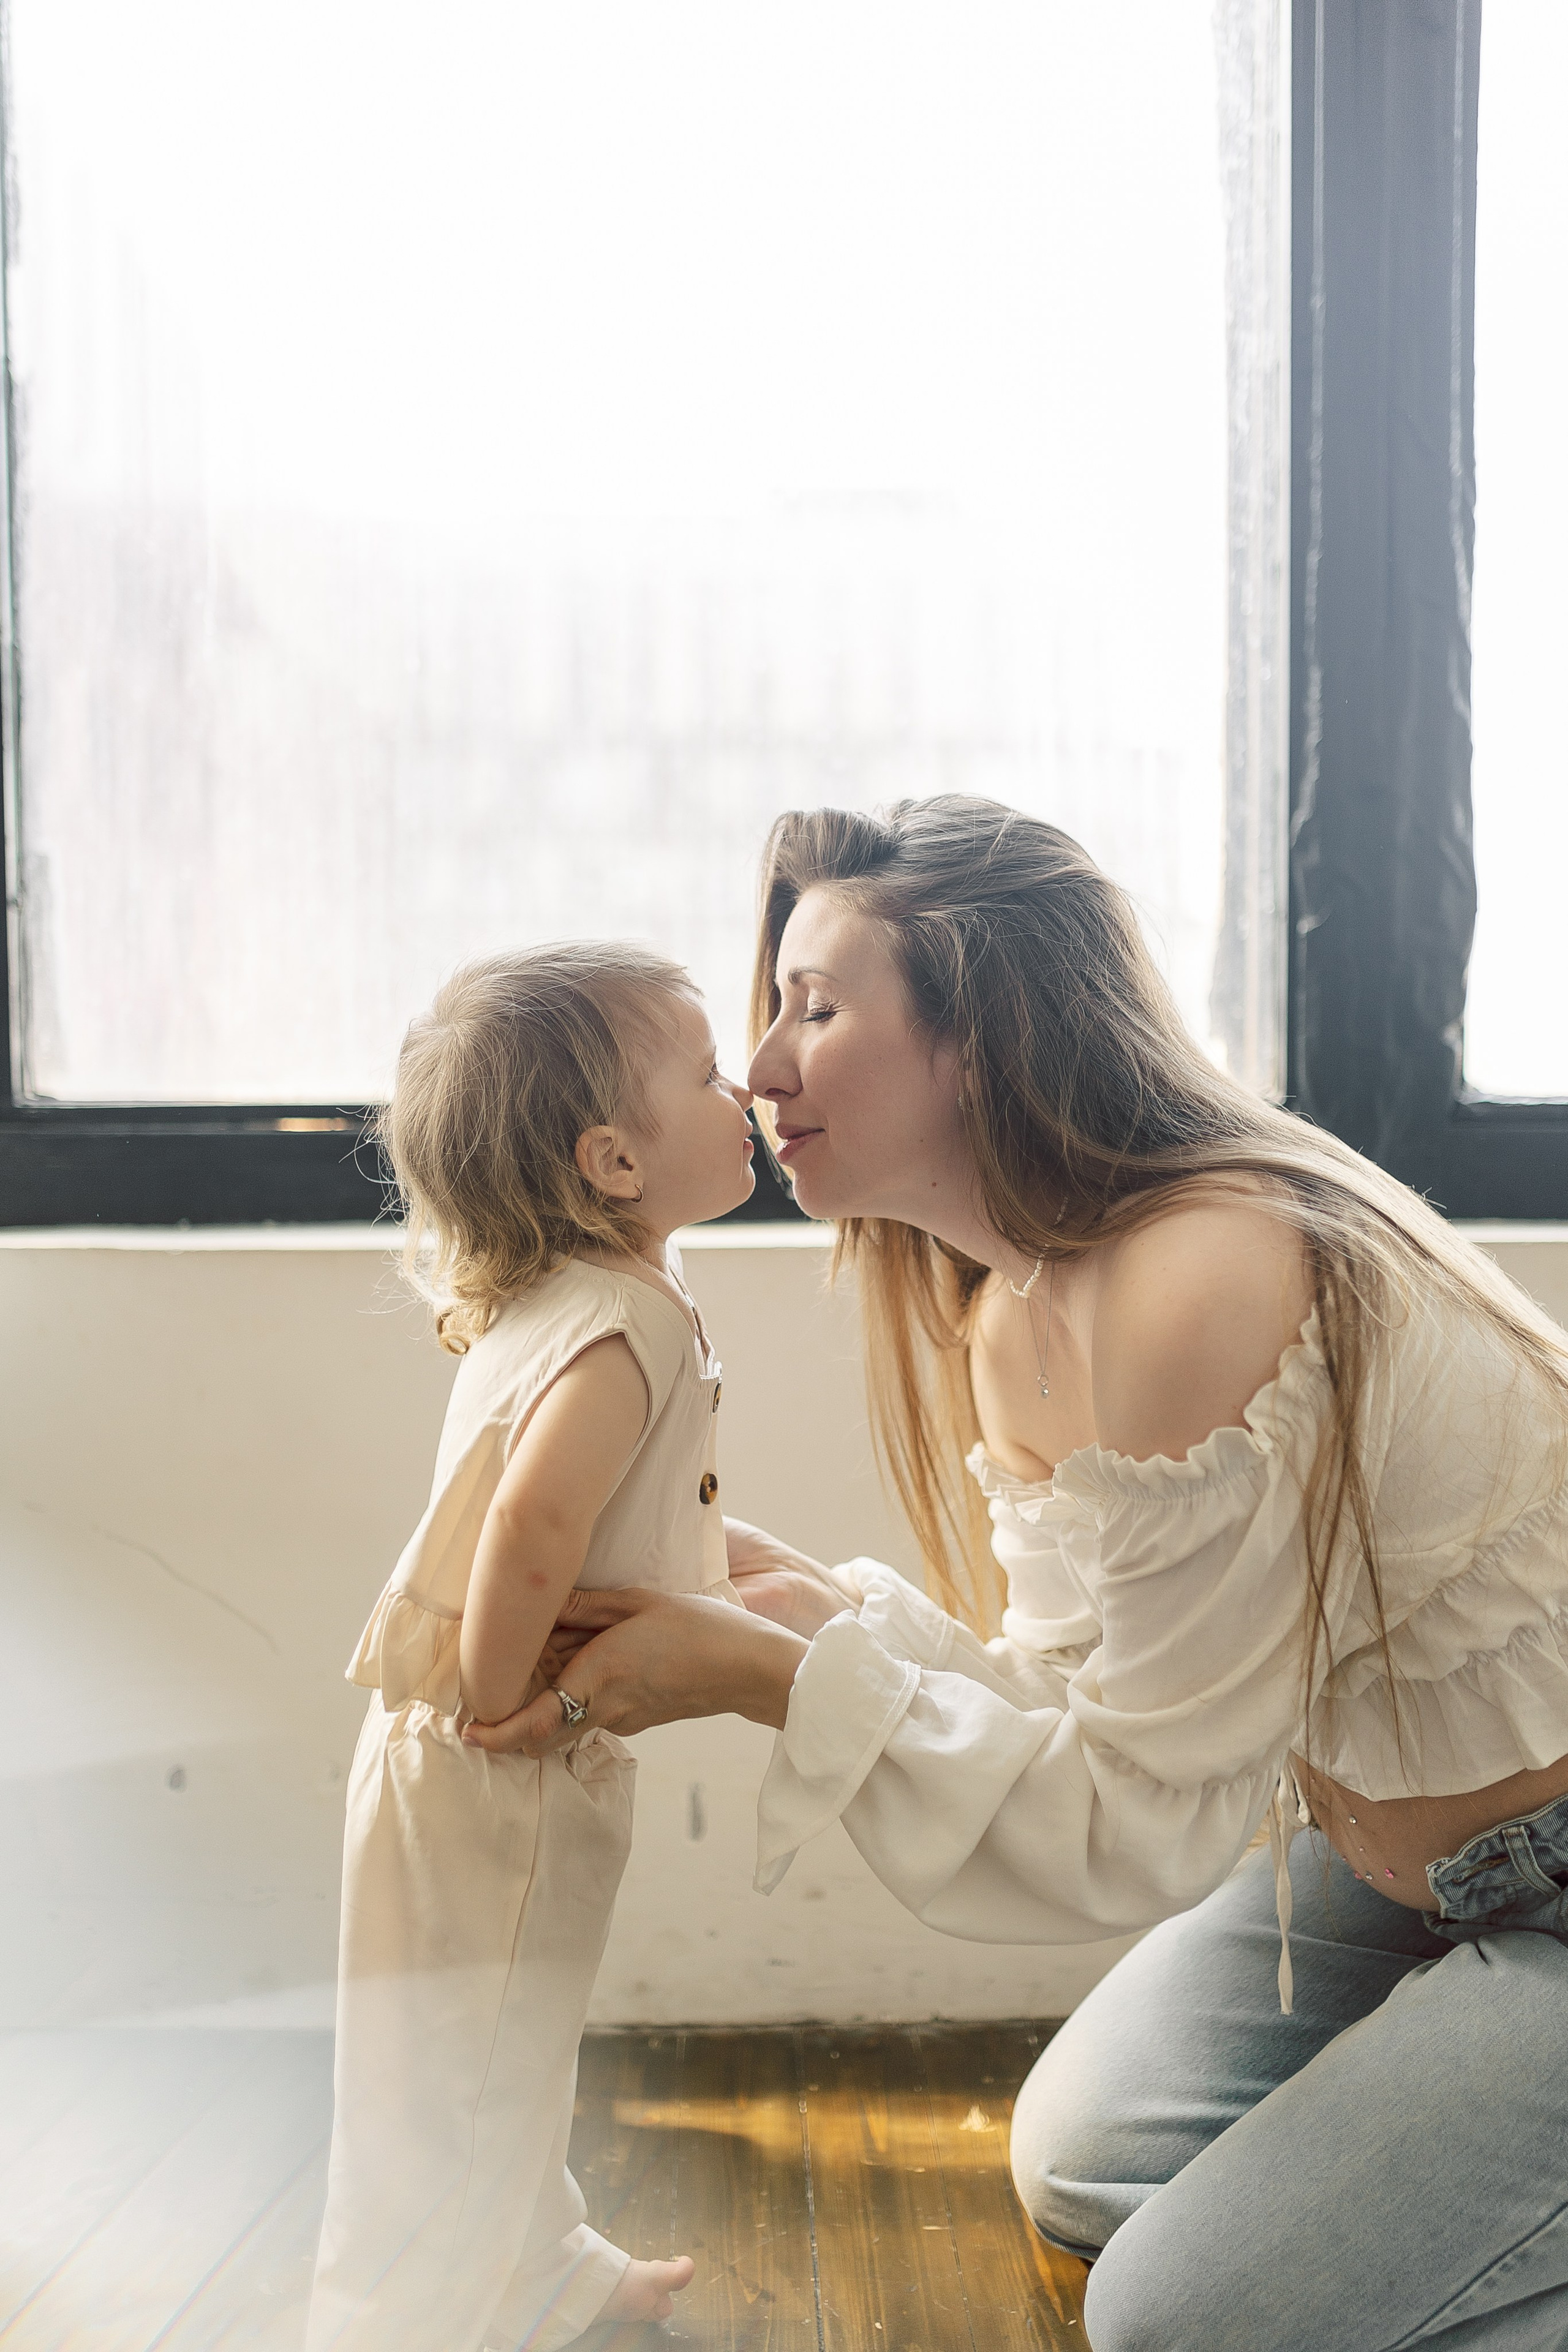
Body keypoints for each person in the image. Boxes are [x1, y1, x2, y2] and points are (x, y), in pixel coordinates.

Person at [466, 798, 1568, 2352]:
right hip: (1401, 1884)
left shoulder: (1197, 1276)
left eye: (816, 1007)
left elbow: (1137, 1825)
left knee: (1177, 2319)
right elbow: (1078, 1710)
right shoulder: (1016, 1318)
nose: (762, 1066)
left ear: (975, 1035)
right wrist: (802, 1609)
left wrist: (759, 1677)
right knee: (1087, 2160)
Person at [306, 943, 756, 2352]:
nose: (741, 1086)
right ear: (615, 1160)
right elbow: (529, 1526)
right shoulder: (623, 1325)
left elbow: (603, 1523)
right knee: (470, 2067)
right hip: (487, 1764)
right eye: (704, 1073)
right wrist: (518, 1705)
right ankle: (415, 2322)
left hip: (436, 1758)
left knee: (480, 2055)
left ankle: (538, 2267)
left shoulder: (566, 1298)